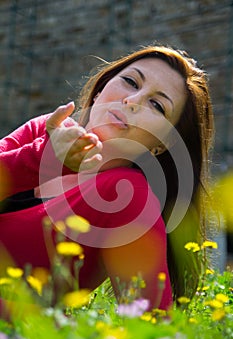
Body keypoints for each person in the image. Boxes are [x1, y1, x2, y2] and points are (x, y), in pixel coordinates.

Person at [0, 45, 214, 311]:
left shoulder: (129, 197)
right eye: (130, 82)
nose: (133, 101)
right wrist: (43, 156)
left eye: (157, 105)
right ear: (101, 89)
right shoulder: (43, 130)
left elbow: (153, 324)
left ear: (162, 144)